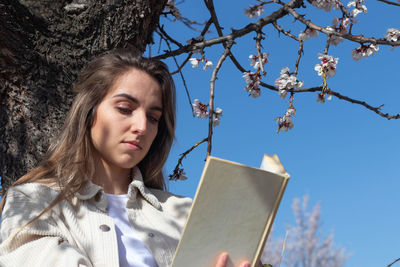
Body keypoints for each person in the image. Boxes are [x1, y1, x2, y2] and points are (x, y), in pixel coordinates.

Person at [0, 49, 250, 267]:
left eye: (153, 118)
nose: (142, 126)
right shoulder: (33, 202)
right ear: (90, 112)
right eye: (125, 109)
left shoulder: (183, 211)